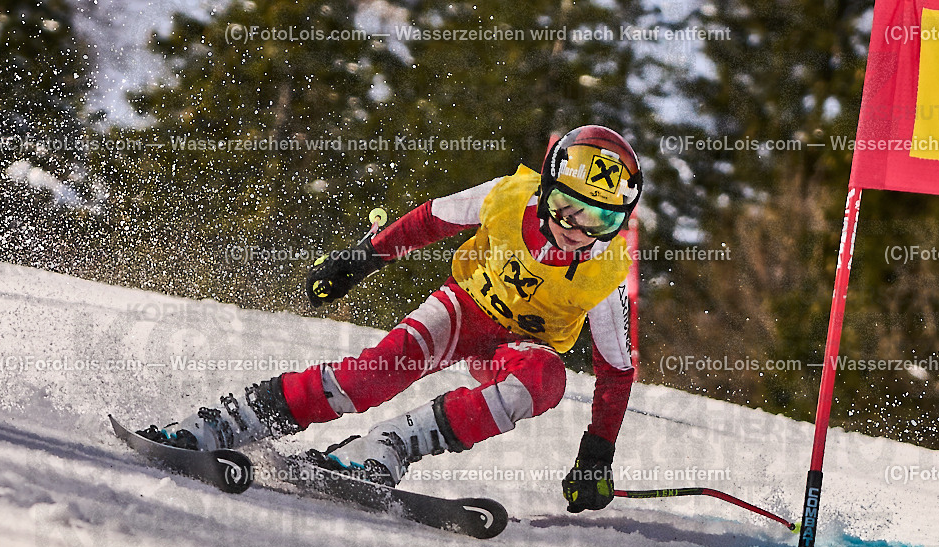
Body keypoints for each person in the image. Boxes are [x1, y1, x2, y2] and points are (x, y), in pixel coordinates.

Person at [140, 124, 642, 513]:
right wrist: (359, 261)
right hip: (464, 310)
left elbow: (616, 370)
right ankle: (221, 424)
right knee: (368, 381)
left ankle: (387, 448)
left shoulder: (606, 273)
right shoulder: (509, 197)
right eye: (565, 206)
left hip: (517, 348)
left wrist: (596, 453)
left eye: (601, 219)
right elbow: (430, 221)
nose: (577, 228)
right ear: (546, 189)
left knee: (543, 380)